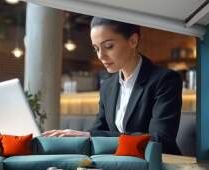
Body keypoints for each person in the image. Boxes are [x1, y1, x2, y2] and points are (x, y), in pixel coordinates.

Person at [42, 17, 183, 155]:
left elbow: (160, 140)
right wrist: (70, 140)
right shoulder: (108, 86)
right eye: (96, 48)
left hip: (162, 164)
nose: (100, 56)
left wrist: (89, 135)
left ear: (133, 41)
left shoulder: (165, 80)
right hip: (122, 163)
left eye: (108, 46)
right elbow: (98, 130)